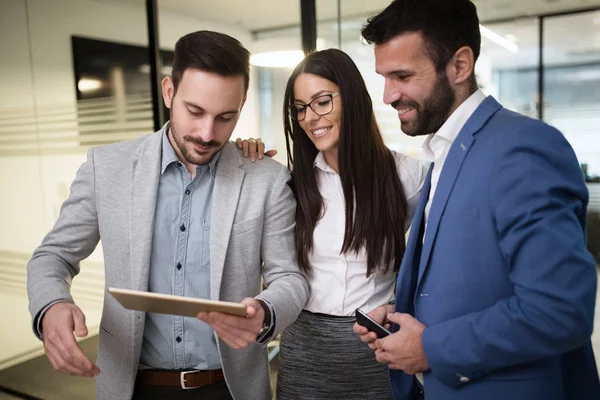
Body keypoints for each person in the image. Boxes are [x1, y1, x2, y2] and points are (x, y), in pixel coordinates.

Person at [26, 30, 308, 400]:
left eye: (226, 116)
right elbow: (53, 256)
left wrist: (266, 312)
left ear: (241, 104)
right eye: (195, 112)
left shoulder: (266, 178)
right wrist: (52, 305)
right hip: (132, 388)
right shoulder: (106, 167)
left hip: (230, 388)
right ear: (169, 92)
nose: (208, 133)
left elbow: (290, 278)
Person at [354, 1, 600, 399]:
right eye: (384, 77)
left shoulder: (522, 148)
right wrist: (404, 318)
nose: (388, 96)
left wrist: (429, 348)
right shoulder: (444, 152)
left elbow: (560, 310)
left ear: (460, 65)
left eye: (402, 76)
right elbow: (466, 282)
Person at [238, 48, 428, 399]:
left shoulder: (407, 177)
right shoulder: (290, 183)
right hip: (305, 351)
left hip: (376, 347)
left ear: (352, 98)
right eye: (300, 108)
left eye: (322, 101)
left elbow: (431, 267)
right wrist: (239, 158)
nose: (310, 118)